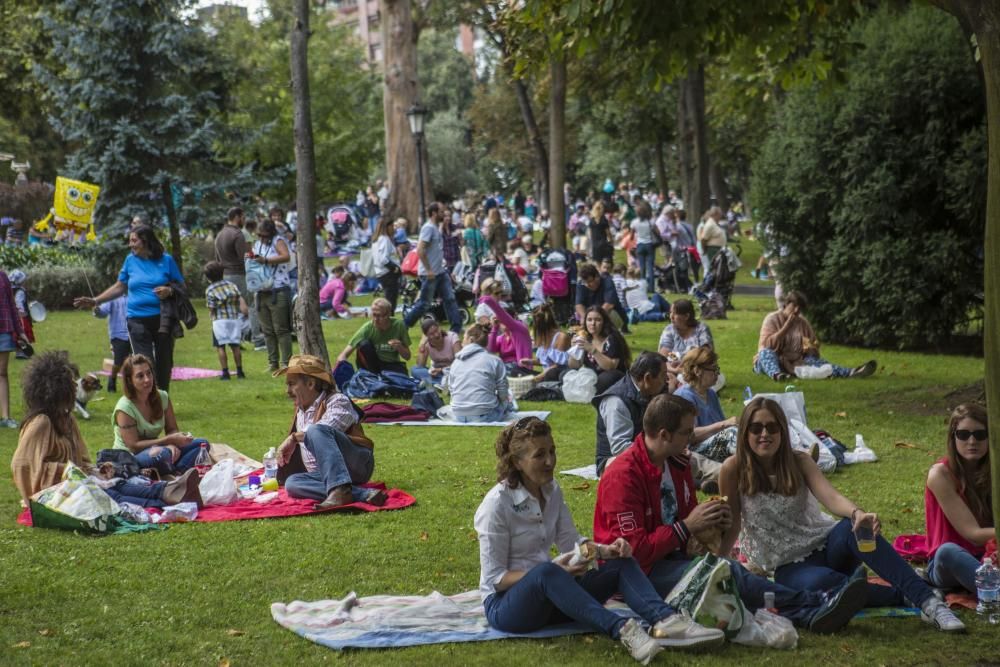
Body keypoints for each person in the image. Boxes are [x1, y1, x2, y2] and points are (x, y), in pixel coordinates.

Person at [594, 394, 867, 634]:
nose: (692, 439)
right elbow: (633, 552)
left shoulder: (676, 463)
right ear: (664, 435)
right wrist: (687, 527)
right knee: (726, 573)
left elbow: (686, 522)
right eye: (687, 433)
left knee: (731, 575)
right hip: (640, 574)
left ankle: (811, 610)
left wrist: (713, 524)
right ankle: (815, 605)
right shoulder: (623, 476)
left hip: (675, 558)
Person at [474, 416, 724, 663]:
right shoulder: (497, 504)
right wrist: (550, 571)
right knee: (545, 572)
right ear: (517, 461)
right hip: (507, 606)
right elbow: (496, 579)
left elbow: (570, 542)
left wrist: (607, 551)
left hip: (552, 594)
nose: (550, 461)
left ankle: (668, 623)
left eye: (552, 451)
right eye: (539, 455)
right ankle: (624, 631)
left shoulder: (552, 490)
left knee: (622, 562)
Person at [718, 397, 966, 632]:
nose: (765, 434)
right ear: (745, 433)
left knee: (854, 527)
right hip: (787, 565)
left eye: (772, 427)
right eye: (756, 428)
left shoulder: (799, 461)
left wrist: (857, 513)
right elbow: (732, 522)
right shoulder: (733, 468)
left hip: (828, 544)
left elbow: (831, 497)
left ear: (782, 431)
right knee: (823, 585)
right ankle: (908, 592)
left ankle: (930, 603)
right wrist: (716, 564)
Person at [11, 351, 202, 508]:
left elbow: (81, 461)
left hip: (77, 484)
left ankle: (168, 491)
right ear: (55, 390)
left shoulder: (66, 419)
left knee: (118, 484)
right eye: (70, 383)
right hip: (56, 494)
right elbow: (22, 465)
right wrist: (69, 471)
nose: (74, 386)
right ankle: (166, 500)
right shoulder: (41, 423)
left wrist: (96, 471)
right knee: (111, 496)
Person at [73, 226, 185, 390]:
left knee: (164, 363)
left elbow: (181, 286)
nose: (130, 245)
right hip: (137, 320)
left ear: (145, 241)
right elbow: (120, 287)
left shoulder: (166, 260)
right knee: (145, 364)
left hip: (163, 320)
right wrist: (95, 300)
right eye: (130, 241)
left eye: (134, 240)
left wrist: (170, 291)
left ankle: (163, 400)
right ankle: (149, 403)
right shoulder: (130, 261)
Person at [273, 355, 386, 509]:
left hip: (356, 465)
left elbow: (324, 430)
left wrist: (293, 438)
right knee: (292, 484)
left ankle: (341, 490)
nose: (287, 391)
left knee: (315, 430)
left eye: (291, 384)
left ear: (311, 384)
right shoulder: (300, 410)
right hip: (326, 474)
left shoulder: (338, 401)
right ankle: (359, 494)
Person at [924, 403, 994, 595]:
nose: (972, 441)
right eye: (963, 435)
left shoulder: (994, 473)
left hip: (989, 556)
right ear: (953, 437)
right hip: (949, 564)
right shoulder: (940, 474)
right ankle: (993, 592)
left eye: (980, 435)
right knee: (947, 552)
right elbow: (972, 533)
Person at [112, 354, 209, 477]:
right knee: (162, 454)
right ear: (130, 381)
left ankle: (175, 473)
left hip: (158, 448)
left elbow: (172, 429)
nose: (147, 379)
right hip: (130, 456)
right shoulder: (125, 408)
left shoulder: (162, 397)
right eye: (140, 376)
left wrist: (174, 443)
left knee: (202, 445)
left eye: (149, 373)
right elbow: (134, 446)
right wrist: (168, 442)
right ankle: (172, 471)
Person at [753, 291, 876, 381]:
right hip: (772, 360)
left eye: (799, 309)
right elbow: (768, 344)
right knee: (766, 353)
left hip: (794, 362)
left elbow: (813, 346)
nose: (796, 311)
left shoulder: (802, 322)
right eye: (794, 306)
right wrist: (787, 326)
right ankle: (777, 375)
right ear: (786, 304)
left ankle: (851, 372)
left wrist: (812, 347)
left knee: (814, 362)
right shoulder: (772, 318)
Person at [673, 347, 738, 492]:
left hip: (713, 447)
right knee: (732, 433)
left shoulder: (711, 394)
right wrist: (724, 424)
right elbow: (689, 436)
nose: (718, 373)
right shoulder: (684, 396)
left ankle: (716, 480)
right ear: (697, 371)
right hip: (694, 452)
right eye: (713, 369)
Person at [593, 352, 668, 477]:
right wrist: (659, 450)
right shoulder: (616, 401)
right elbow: (620, 447)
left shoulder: (649, 391)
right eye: (663, 375)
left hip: (645, 452)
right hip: (616, 462)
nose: (666, 380)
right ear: (648, 378)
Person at [403, 203, 463, 333]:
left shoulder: (436, 228)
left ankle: (456, 329)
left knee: (450, 299)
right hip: (430, 275)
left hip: (440, 272)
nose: (444, 214)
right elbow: (420, 250)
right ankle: (403, 326)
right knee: (424, 304)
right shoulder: (428, 228)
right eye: (441, 212)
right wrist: (429, 269)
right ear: (434, 213)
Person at [215, 206, 262, 349]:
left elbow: (217, 258)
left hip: (225, 274)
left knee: (231, 309)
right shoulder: (237, 234)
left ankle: (234, 340)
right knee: (252, 305)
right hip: (239, 274)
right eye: (243, 217)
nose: (245, 220)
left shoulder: (220, 234)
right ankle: (257, 339)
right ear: (237, 217)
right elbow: (245, 258)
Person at [444, 325, 513, 423]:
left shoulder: (456, 362)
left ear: (471, 340)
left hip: (458, 415)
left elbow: (451, 389)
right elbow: (503, 393)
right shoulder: (494, 361)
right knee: (507, 398)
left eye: (464, 338)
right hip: (486, 415)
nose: (462, 342)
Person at [251, 218, 294, 372]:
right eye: (259, 235)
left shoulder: (278, 240)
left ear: (271, 233)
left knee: (281, 330)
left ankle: (286, 364)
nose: (262, 238)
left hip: (278, 289)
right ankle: (272, 363)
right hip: (261, 290)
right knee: (267, 331)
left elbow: (286, 256)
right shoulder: (258, 244)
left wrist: (266, 260)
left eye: (264, 235)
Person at [336, 298, 411, 375]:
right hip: (372, 367)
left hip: (391, 365)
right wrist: (343, 369)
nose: (375, 319)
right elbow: (343, 355)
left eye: (379, 316)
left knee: (403, 382)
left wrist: (400, 347)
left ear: (388, 314)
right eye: (373, 315)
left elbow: (407, 356)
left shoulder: (399, 326)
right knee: (364, 344)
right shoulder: (367, 328)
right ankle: (373, 376)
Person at [568, 307, 631, 395]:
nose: (593, 324)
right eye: (589, 320)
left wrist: (592, 350)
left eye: (597, 320)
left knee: (605, 378)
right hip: (592, 376)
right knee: (565, 373)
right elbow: (575, 366)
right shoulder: (586, 338)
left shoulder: (612, 338)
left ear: (604, 322)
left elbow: (611, 366)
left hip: (613, 376)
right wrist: (574, 350)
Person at [204, 261, 249, 380]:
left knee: (220, 347)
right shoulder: (231, 285)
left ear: (208, 277)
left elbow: (211, 307)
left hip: (219, 321)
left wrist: (211, 314)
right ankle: (240, 372)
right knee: (236, 346)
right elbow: (239, 299)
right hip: (234, 320)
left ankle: (225, 373)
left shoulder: (210, 290)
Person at [658, 299, 714, 380]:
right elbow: (663, 355)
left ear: (686, 316)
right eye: (670, 312)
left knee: (685, 378)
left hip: (698, 370)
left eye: (675, 313)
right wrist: (674, 369)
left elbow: (705, 353)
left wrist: (684, 362)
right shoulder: (669, 329)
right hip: (672, 369)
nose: (671, 316)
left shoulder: (701, 329)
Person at [527, 303, 572, 384]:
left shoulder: (561, 337)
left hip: (558, 373)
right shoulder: (543, 338)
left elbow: (557, 365)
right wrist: (529, 361)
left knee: (551, 373)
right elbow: (543, 362)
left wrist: (540, 376)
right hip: (545, 374)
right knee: (517, 369)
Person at [93, 295, 129, 393]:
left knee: (134, 361)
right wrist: (97, 310)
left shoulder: (136, 293)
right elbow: (103, 312)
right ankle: (112, 378)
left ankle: (131, 386)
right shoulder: (113, 297)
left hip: (135, 332)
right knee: (119, 362)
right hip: (118, 334)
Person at [575, 263, 628, 329]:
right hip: (592, 315)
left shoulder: (607, 281)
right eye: (585, 282)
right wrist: (584, 318)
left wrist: (592, 319)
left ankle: (612, 332)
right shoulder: (581, 284)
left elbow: (609, 305)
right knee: (578, 314)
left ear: (597, 277)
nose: (587, 285)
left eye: (589, 281)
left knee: (609, 314)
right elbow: (578, 304)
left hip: (613, 315)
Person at [412, 316, 462, 386]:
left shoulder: (453, 338)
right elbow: (420, 365)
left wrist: (441, 369)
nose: (436, 335)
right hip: (437, 373)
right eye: (431, 334)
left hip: (453, 370)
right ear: (427, 336)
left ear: (439, 328)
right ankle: (441, 383)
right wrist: (422, 345)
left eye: (436, 330)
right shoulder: (427, 344)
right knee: (414, 369)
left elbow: (460, 363)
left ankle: (434, 382)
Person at [371, 216, 402, 314]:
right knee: (390, 302)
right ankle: (388, 321)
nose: (394, 228)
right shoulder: (384, 239)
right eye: (392, 226)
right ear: (386, 227)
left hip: (381, 274)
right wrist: (395, 267)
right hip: (388, 274)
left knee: (389, 300)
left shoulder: (376, 240)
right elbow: (383, 259)